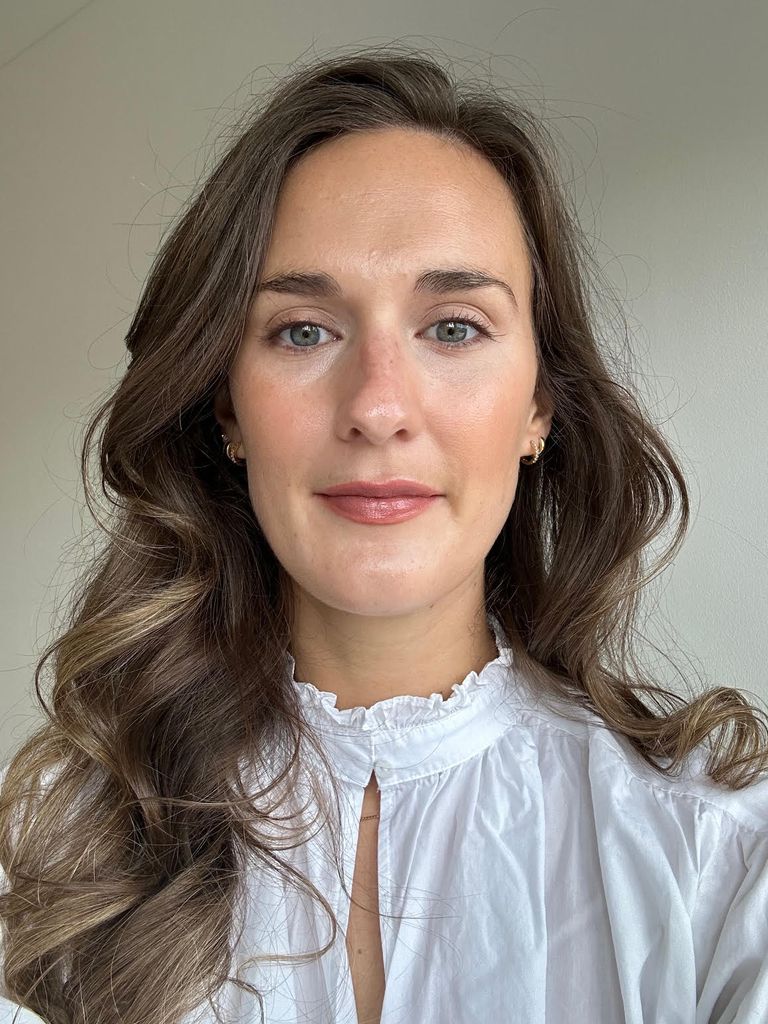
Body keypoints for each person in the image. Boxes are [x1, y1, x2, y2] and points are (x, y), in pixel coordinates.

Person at [1, 45, 767, 1024]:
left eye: (452, 327)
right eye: (303, 330)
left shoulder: (723, 858)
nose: (377, 407)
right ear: (225, 406)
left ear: (540, 403)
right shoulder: (55, 858)